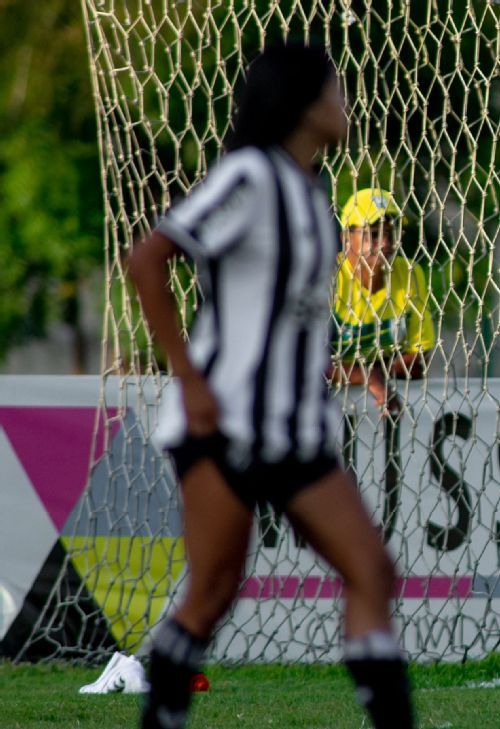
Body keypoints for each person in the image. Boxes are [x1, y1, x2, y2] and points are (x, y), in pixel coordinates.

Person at [127, 43, 414, 729]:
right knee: (212, 592)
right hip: (222, 420)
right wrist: (189, 379)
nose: (346, 105)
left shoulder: (313, 199)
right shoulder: (250, 176)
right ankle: (161, 708)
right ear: (307, 103)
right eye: (338, 92)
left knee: (372, 570)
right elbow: (147, 258)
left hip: (297, 429)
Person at [330, 187, 436, 412]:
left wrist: (369, 373)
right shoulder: (330, 279)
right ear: (346, 238)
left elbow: (419, 360)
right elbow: (309, 364)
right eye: (373, 234)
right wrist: (369, 375)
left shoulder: (409, 274)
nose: (386, 243)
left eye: (391, 233)